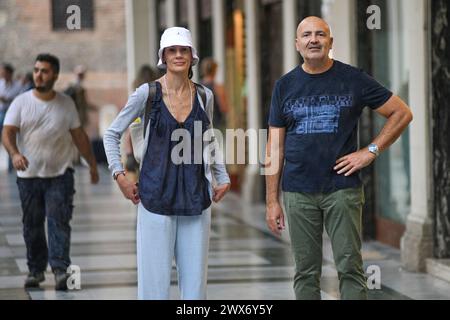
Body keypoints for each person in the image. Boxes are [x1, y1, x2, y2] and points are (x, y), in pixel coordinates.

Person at [265, 16, 413, 300]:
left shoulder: (353, 78)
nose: (313, 40)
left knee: (350, 268)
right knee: (305, 272)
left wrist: (370, 151)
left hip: (342, 190)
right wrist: (272, 201)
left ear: (330, 42)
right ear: (297, 44)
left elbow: (402, 113)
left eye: (320, 34)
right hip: (298, 192)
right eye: (306, 35)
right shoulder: (284, 86)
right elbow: (274, 147)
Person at [104, 27, 231, 300]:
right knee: (154, 289)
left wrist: (222, 176)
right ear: (163, 56)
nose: (178, 55)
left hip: (196, 198)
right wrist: (120, 176)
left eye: (183, 50)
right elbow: (112, 134)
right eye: (172, 50)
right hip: (155, 198)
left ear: (192, 56)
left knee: (195, 290)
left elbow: (208, 139)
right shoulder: (146, 94)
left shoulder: (204, 96)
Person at [1, 53, 99, 290]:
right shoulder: (21, 102)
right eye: (36, 70)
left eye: (44, 71)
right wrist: (14, 153)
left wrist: (92, 165)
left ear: (54, 75)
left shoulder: (66, 104)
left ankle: (60, 271)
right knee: (32, 225)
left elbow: (80, 137)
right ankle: (35, 271)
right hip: (29, 177)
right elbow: (8, 132)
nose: (39, 75)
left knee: (59, 222)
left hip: (60, 175)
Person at [124, 65, 160, 177]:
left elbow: (130, 132)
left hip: (138, 154)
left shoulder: (136, 99)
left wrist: (129, 155)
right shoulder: (158, 99)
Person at [0, 63, 23, 170]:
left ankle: (12, 165)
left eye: (3, 71)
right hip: (1, 113)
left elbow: (18, 100)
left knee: (10, 139)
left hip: (11, 114)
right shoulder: (0, 84)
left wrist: (7, 99)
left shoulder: (17, 85)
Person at [200, 57, 230, 132]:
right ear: (215, 70)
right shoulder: (218, 88)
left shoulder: (196, 87)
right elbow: (224, 108)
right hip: (217, 125)